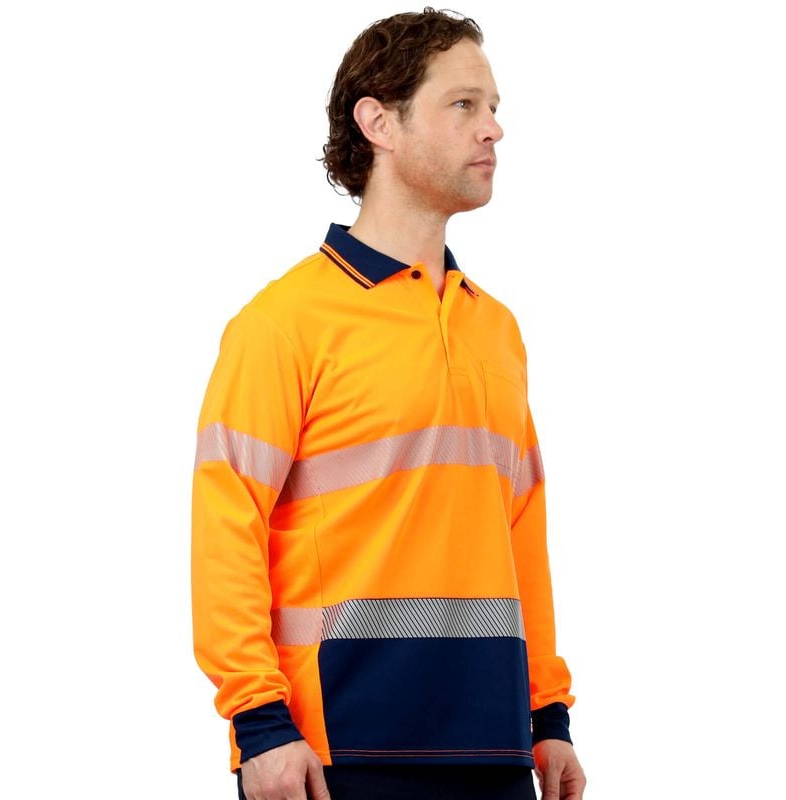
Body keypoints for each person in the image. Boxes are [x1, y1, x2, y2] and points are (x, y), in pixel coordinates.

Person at [192, 7, 586, 800]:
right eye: (464, 104)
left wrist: (548, 714)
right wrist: (259, 723)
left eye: (494, 107)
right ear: (378, 123)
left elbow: (521, 532)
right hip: (332, 751)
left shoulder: (496, 329)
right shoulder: (283, 323)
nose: (494, 128)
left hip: (494, 748)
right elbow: (226, 524)